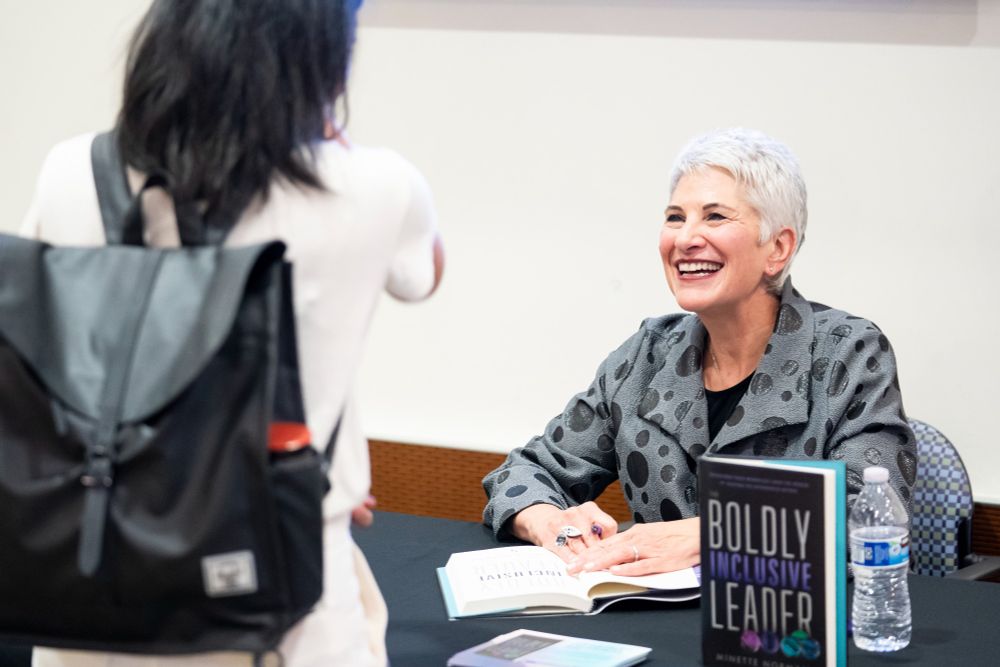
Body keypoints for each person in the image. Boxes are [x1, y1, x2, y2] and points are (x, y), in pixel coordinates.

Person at [20, 1, 443, 665]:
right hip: (280, 609)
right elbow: (426, 273)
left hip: (93, 595)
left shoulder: (71, 168)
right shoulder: (375, 186)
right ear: (320, 51)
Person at [482, 128, 914, 578]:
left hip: (787, 629)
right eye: (674, 217)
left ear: (778, 248)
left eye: (714, 217)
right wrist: (548, 521)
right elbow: (528, 471)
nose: (685, 238)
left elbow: (872, 513)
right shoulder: (647, 354)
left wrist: (710, 535)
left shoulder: (849, 352)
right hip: (654, 622)